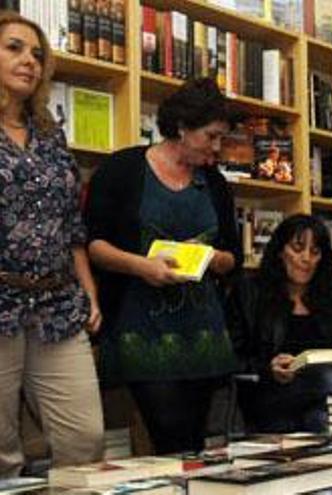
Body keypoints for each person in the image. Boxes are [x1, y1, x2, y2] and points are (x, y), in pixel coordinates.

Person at [85, 78, 241, 454]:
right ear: (183, 128)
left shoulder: (215, 183)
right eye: (211, 136)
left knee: (195, 444)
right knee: (169, 435)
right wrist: (143, 266)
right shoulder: (123, 169)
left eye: (222, 138)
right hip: (140, 329)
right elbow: (93, 245)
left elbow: (232, 256)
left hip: (204, 332)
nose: (217, 148)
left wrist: (214, 259)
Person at [0, 11, 103, 476]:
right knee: (3, 454)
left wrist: (88, 292)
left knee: (86, 438)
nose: (30, 61)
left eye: (38, 54)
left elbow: (71, 224)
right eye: (15, 48)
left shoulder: (49, 133)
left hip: (57, 301)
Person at [227, 214, 332, 433]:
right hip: (270, 397)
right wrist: (268, 368)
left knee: (321, 417)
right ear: (281, 252)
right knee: (327, 381)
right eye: (297, 248)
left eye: (315, 252)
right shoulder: (250, 293)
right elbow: (232, 357)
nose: (306, 258)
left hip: (323, 400)